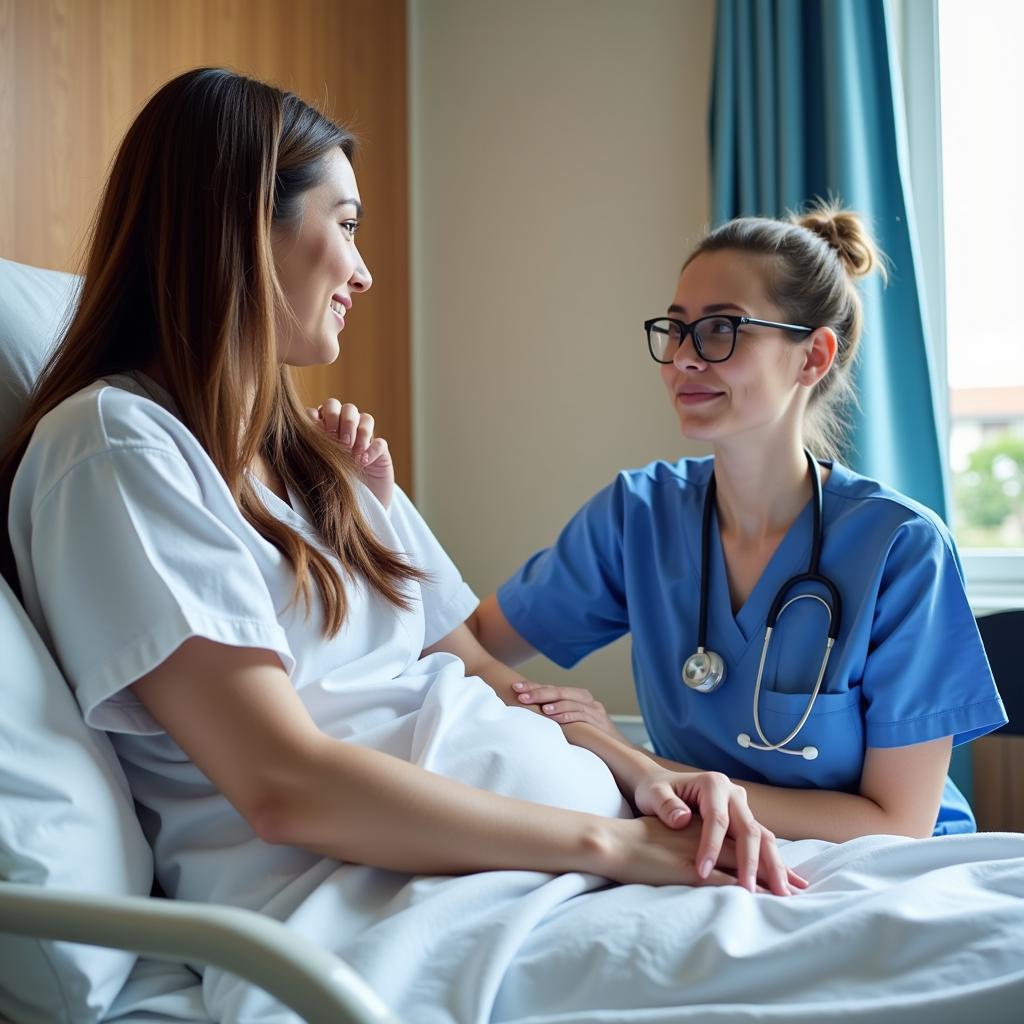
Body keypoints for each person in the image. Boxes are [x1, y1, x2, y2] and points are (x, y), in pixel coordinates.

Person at [0, 65, 818, 1020]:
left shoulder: (315, 458)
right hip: (407, 906)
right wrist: (612, 845)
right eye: (343, 224)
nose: (364, 269)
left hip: (561, 859)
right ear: (241, 227)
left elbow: (471, 662)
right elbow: (283, 786)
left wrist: (656, 782)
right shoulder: (113, 448)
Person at [455, 205, 1007, 842]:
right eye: (677, 329)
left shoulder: (901, 548)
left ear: (812, 357)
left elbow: (897, 825)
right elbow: (468, 644)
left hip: (877, 875)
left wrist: (638, 765)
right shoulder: (640, 516)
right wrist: (374, 524)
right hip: (702, 854)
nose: (684, 360)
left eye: (722, 330)